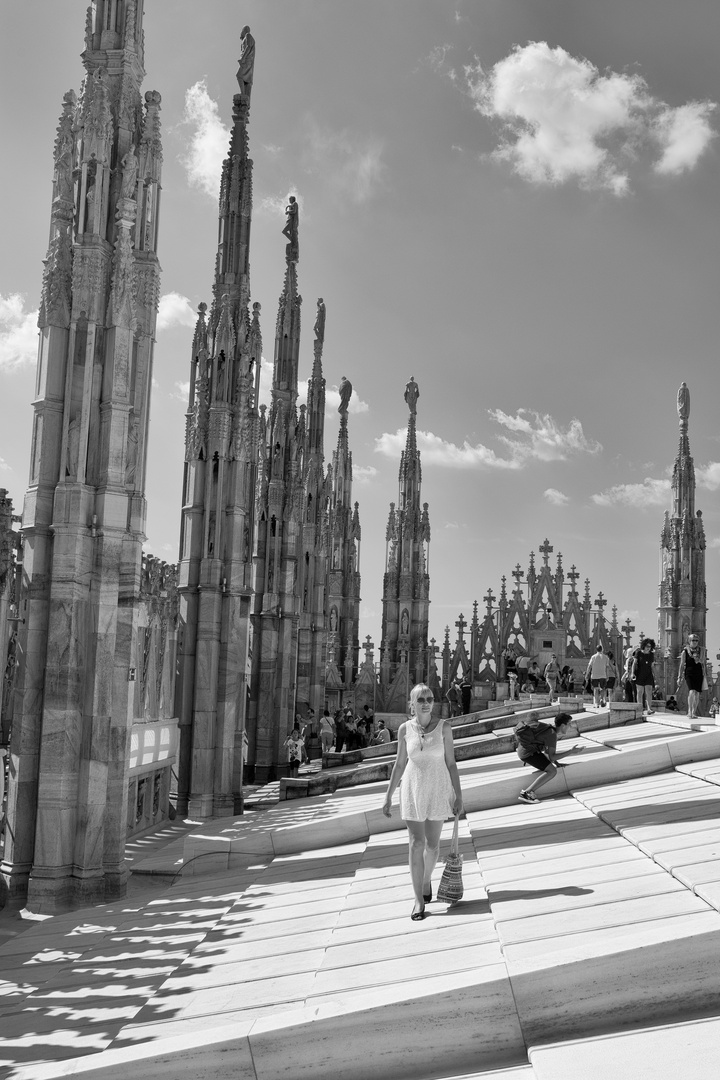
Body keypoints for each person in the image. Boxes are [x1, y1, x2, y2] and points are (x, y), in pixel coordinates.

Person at [382, 684, 464, 921]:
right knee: (416, 843)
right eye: (421, 699)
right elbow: (399, 764)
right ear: (412, 703)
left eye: (429, 698)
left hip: (438, 788)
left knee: (432, 845)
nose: (426, 702)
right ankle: (419, 900)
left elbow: (451, 763)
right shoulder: (404, 729)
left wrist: (459, 795)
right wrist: (387, 795)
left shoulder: (445, 728)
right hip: (412, 788)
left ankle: (426, 879)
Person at [515, 711, 573, 804]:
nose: (570, 726)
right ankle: (527, 793)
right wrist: (571, 751)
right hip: (528, 753)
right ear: (563, 725)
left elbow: (548, 754)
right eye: (569, 724)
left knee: (551, 767)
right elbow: (552, 756)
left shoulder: (549, 730)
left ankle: (527, 793)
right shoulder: (552, 735)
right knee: (552, 771)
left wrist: (556, 763)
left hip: (525, 750)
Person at [677, 633, 705, 719]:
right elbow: (681, 665)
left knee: (697, 693)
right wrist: (679, 677)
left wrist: (705, 675)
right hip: (689, 673)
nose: (695, 642)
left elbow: (703, 663)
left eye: (696, 640)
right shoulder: (685, 651)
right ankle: (689, 710)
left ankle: (694, 711)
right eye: (693, 640)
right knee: (692, 691)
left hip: (699, 672)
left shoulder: (702, 651)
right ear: (689, 641)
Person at [632, 638, 656, 714]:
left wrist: (655, 676)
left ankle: (649, 708)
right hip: (639, 674)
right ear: (644, 646)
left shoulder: (651, 655)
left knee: (649, 691)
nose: (648, 647)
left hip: (648, 674)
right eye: (647, 646)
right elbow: (634, 664)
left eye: (650, 646)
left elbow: (652, 666)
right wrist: (632, 673)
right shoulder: (638, 653)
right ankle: (640, 709)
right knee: (640, 692)